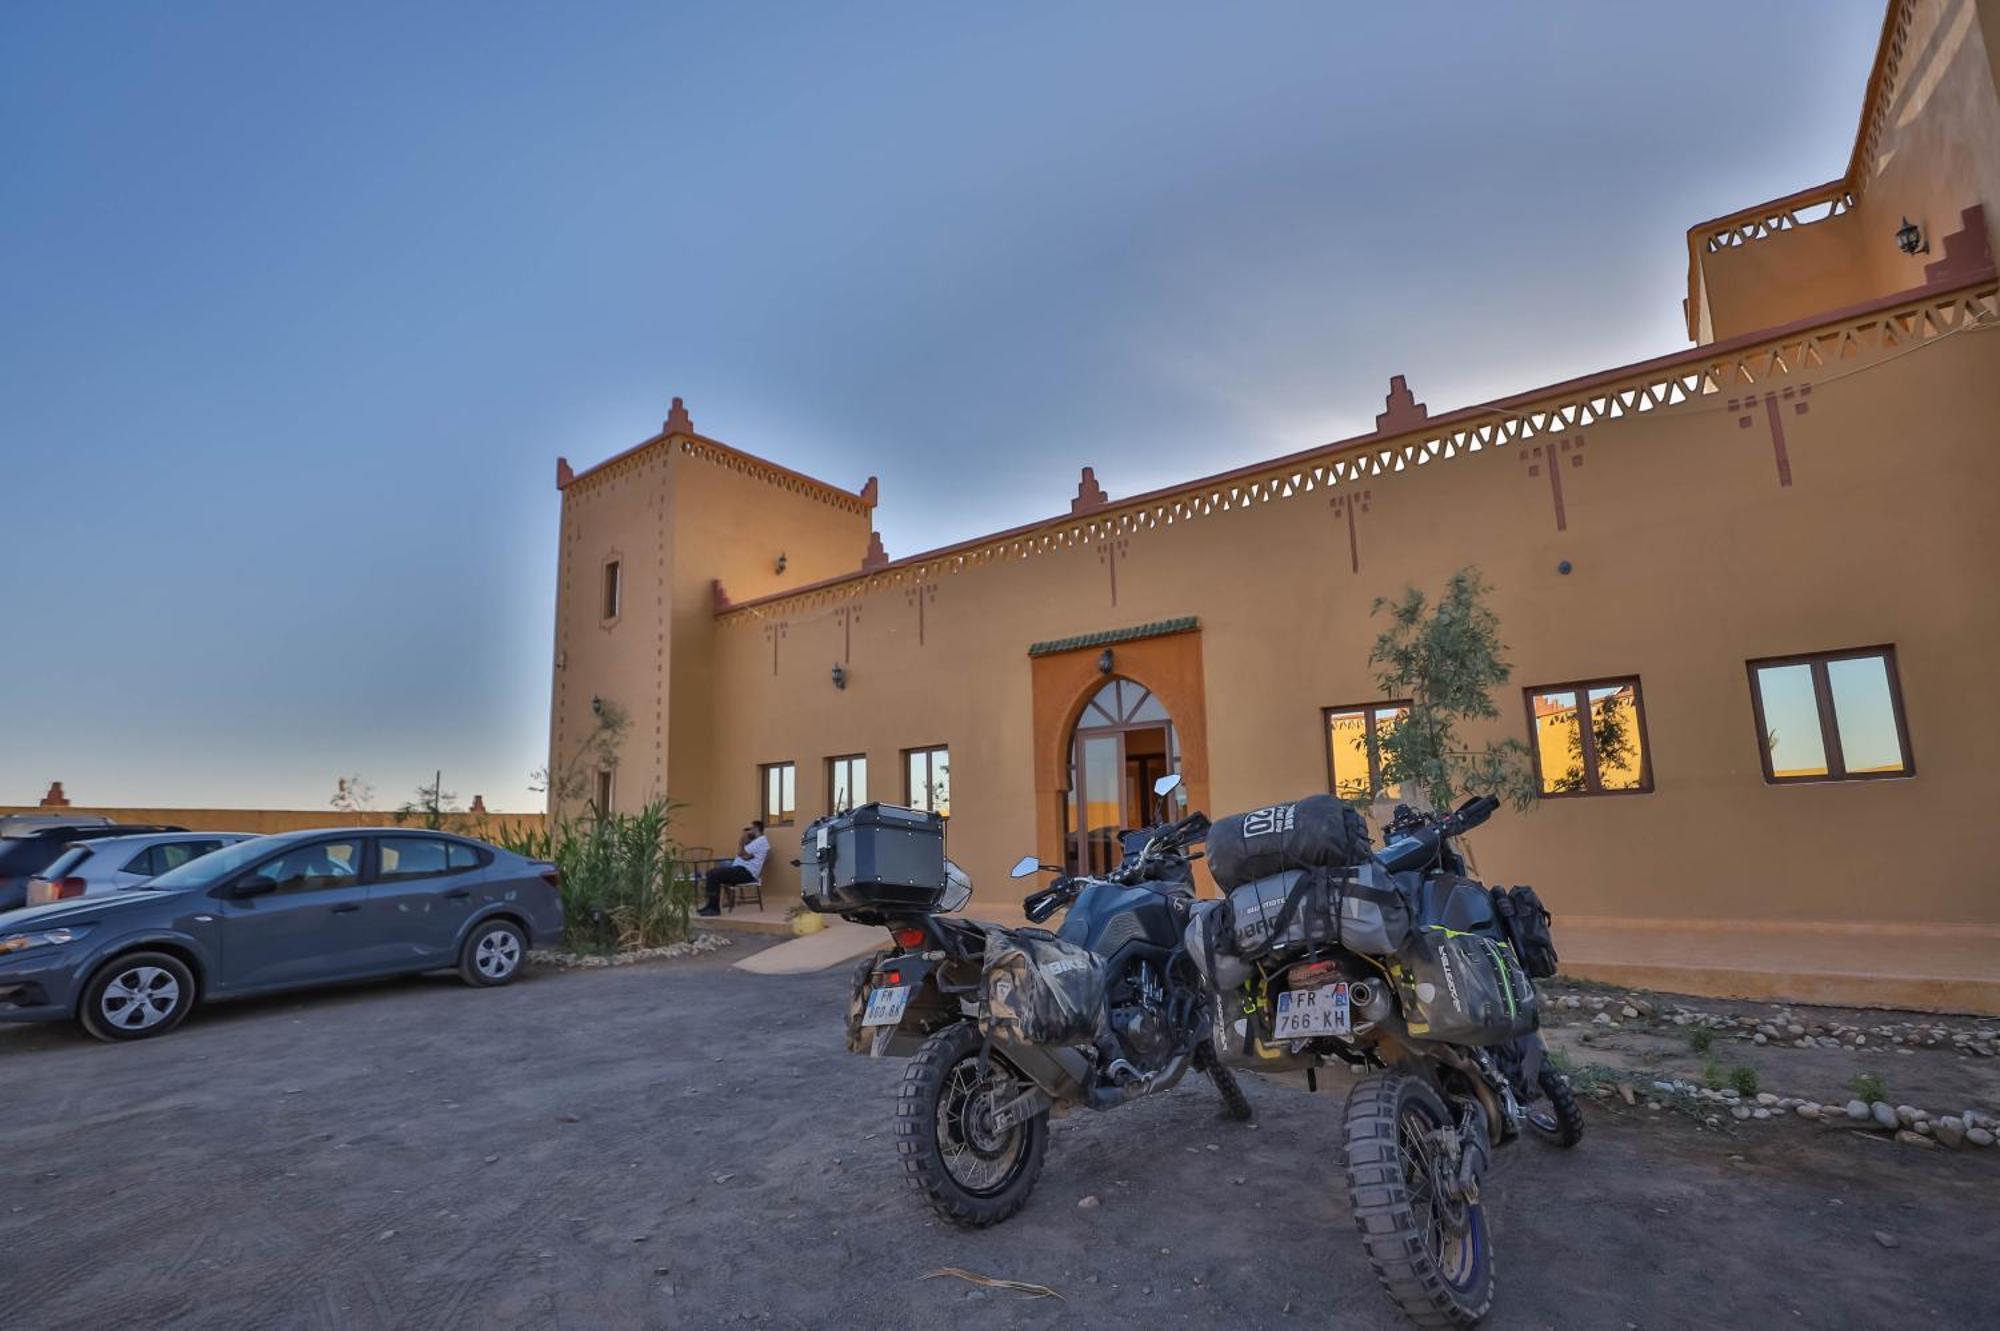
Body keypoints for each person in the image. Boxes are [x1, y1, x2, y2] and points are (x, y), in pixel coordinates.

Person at [697, 821, 769, 916]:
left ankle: (714, 909)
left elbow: (740, 853)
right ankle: (710, 905)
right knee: (711, 873)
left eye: (750, 829)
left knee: (714, 874)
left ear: (756, 829)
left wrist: (741, 840)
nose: (748, 832)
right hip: (740, 870)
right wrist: (745, 844)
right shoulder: (756, 842)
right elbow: (746, 856)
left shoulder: (761, 841)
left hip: (746, 873)